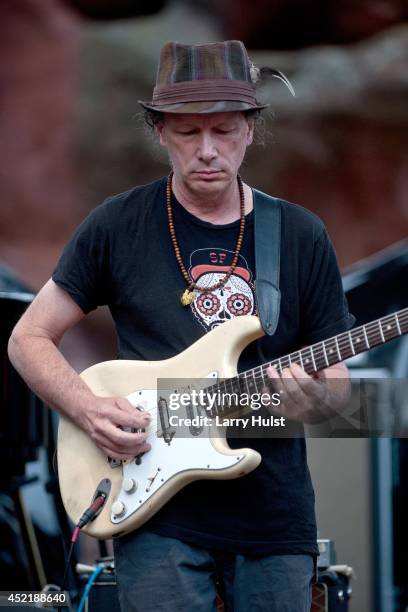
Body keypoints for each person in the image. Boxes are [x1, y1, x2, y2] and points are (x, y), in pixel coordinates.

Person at [8, 40, 354, 612]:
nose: (208, 151)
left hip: (274, 516)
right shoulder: (117, 225)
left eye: (223, 131)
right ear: (160, 131)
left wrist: (314, 399)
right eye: (189, 133)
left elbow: (336, 384)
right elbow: (28, 337)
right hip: (155, 515)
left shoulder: (298, 234)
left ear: (249, 129)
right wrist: (87, 408)